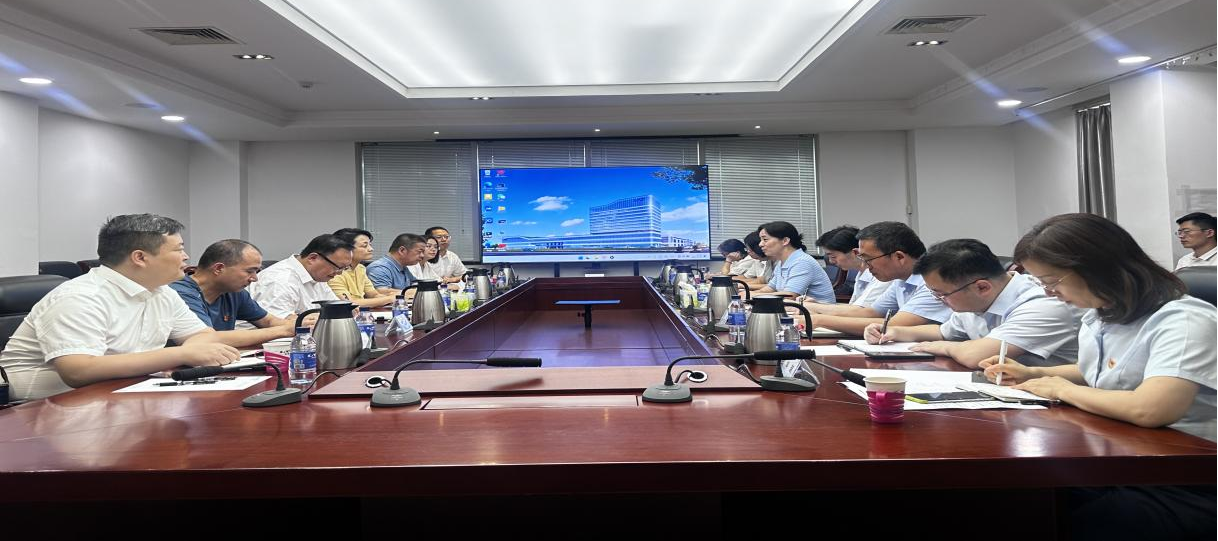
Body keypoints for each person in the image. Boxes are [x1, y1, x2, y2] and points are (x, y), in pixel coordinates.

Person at [981, 213, 1216, 540]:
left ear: (1096, 268)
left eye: (1052, 281)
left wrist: (1062, 389)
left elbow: (1150, 409)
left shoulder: (1184, 320)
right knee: (1009, 495)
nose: (1049, 293)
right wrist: (1033, 372)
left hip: (1184, 474)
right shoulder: (1102, 313)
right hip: (1119, 454)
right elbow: (1104, 370)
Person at [0, 214, 240, 401]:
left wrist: (191, 352)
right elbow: (78, 371)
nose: (186, 257)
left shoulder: (161, 291)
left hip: (121, 393)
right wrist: (181, 355)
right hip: (38, 409)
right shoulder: (81, 297)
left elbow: (203, 335)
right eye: (178, 249)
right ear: (140, 258)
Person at [863, 238, 1083, 368]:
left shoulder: (1044, 302)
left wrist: (942, 347)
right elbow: (944, 332)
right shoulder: (974, 298)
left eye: (942, 294)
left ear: (982, 287)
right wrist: (894, 332)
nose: (941, 301)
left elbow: (976, 355)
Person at [808, 221, 952, 335]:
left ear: (899, 257)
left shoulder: (932, 283)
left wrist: (818, 320)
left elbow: (893, 325)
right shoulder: (900, 280)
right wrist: (814, 313)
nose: (865, 265)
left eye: (868, 259)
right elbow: (870, 312)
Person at [169, 239, 296, 346]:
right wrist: (284, 330)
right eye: (249, 271)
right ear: (218, 268)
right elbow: (206, 339)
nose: (254, 278)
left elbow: (268, 321)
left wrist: (299, 325)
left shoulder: (234, 291)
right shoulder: (180, 292)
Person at [248, 234, 354, 319]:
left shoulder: (317, 277)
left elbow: (334, 308)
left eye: (344, 268)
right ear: (312, 258)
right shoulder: (281, 279)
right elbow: (275, 322)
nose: (339, 273)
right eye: (338, 267)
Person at [806, 225, 890, 314]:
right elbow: (853, 307)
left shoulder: (883, 276)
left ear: (855, 253)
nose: (831, 261)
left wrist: (811, 307)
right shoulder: (861, 274)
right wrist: (817, 305)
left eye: (833, 256)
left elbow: (860, 312)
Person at [751, 221, 836, 303]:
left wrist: (753, 296)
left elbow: (790, 295)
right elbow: (770, 288)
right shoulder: (782, 262)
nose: (760, 244)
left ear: (785, 241)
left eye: (765, 239)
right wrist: (750, 294)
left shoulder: (801, 262)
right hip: (798, 308)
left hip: (819, 310)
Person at [327, 228, 396, 308]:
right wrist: (389, 299)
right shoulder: (335, 272)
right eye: (364, 246)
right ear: (345, 249)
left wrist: (393, 298)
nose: (371, 249)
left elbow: (373, 294)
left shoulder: (360, 268)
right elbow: (348, 303)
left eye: (370, 245)